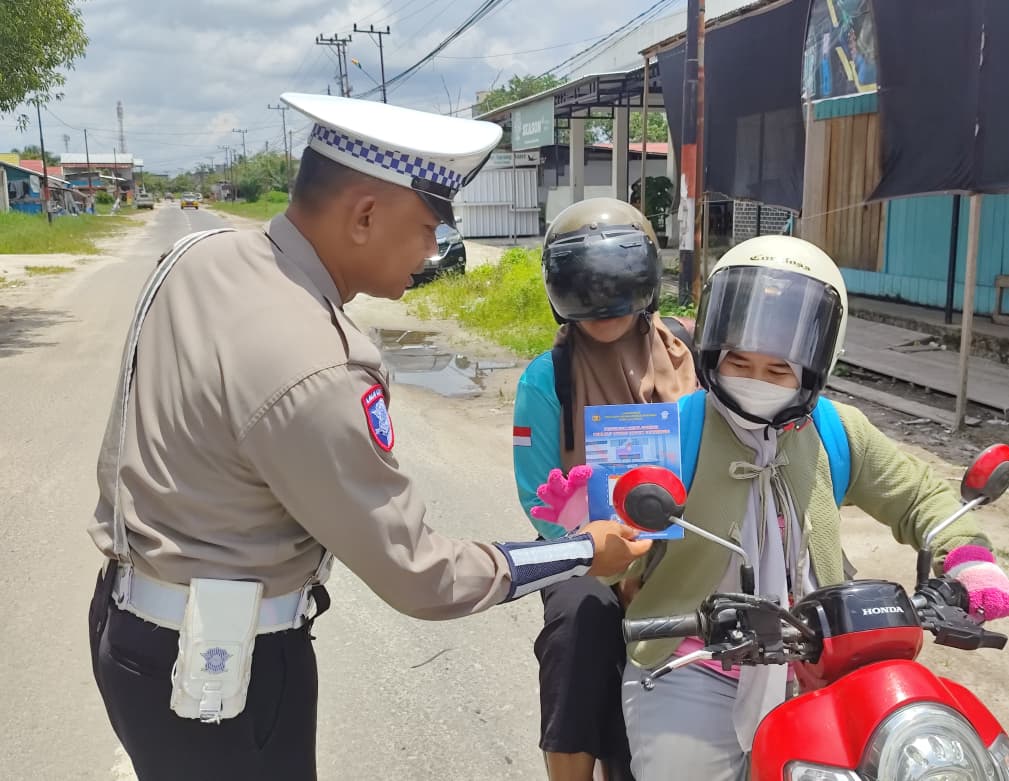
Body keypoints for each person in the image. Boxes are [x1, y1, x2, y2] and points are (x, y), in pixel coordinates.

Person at [86, 93, 651, 781]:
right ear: (363, 216)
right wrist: (578, 549)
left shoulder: (199, 255)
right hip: (221, 674)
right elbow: (422, 574)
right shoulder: (318, 360)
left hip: (127, 627)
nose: (433, 252)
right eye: (427, 227)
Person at [606, 235, 1009, 779]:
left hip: (820, 662)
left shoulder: (835, 429)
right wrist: (598, 530)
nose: (755, 380)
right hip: (689, 662)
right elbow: (615, 550)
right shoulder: (664, 430)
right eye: (738, 361)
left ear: (812, 369)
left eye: (778, 370)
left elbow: (920, 494)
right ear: (712, 352)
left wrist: (968, 557)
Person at [512, 198, 699, 781]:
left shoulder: (693, 356)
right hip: (588, 555)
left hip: (694, 544)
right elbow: (538, 498)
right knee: (578, 623)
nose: (602, 304)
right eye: (584, 286)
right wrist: (608, 563)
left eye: (618, 280)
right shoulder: (547, 381)